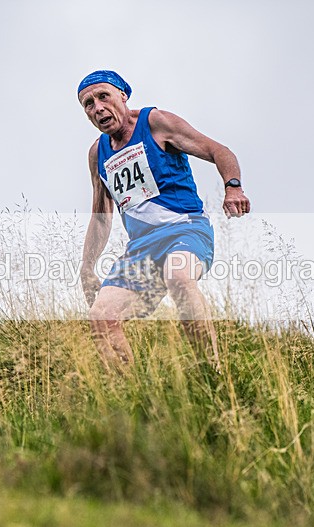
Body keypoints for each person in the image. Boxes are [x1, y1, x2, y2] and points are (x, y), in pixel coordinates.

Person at [77, 70, 250, 371]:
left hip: (185, 229)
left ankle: (212, 373)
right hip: (140, 250)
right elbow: (101, 216)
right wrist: (87, 266)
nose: (98, 108)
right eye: (88, 104)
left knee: (178, 277)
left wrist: (233, 187)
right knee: (101, 317)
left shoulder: (156, 123)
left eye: (103, 96)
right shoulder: (98, 153)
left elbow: (218, 150)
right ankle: (129, 390)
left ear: (123, 96)